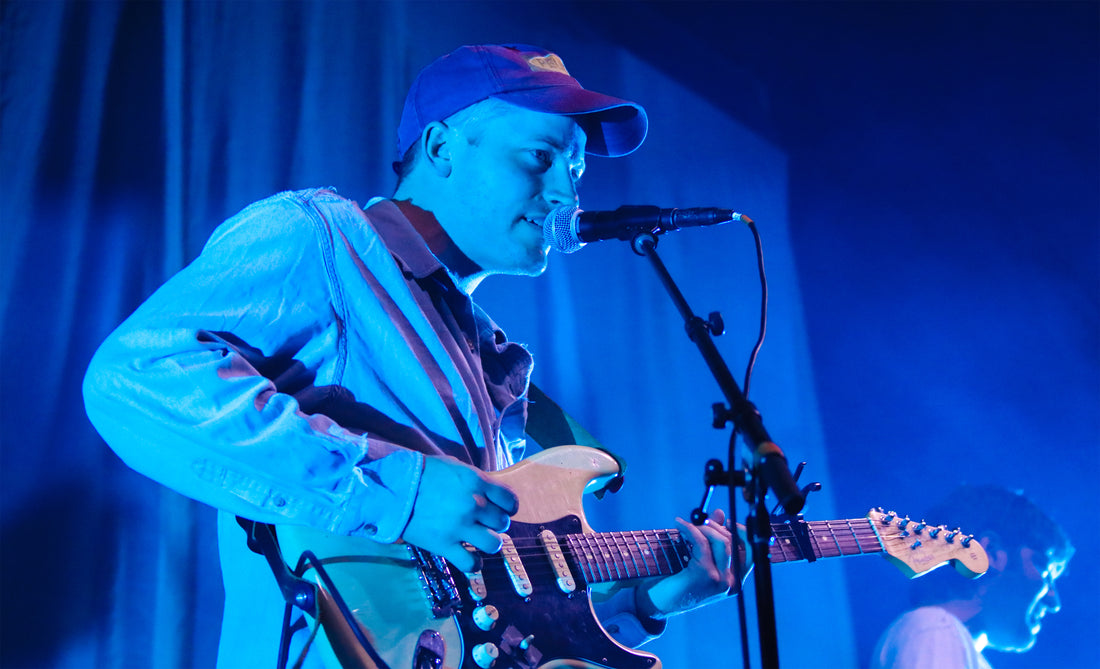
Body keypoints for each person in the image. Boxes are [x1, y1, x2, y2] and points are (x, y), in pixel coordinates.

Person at [83, 43, 738, 668]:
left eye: (576, 171)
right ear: (442, 147)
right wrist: (399, 490)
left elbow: (496, 607)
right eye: (540, 158)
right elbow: (134, 375)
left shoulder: (486, 358)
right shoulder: (323, 242)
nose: (569, 198)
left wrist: (644, 602)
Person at [870, 484, 1073, 669]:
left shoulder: (943, 636)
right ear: (990, 552)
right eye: (1044, 570)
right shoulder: (935, 630)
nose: (1054, 601)